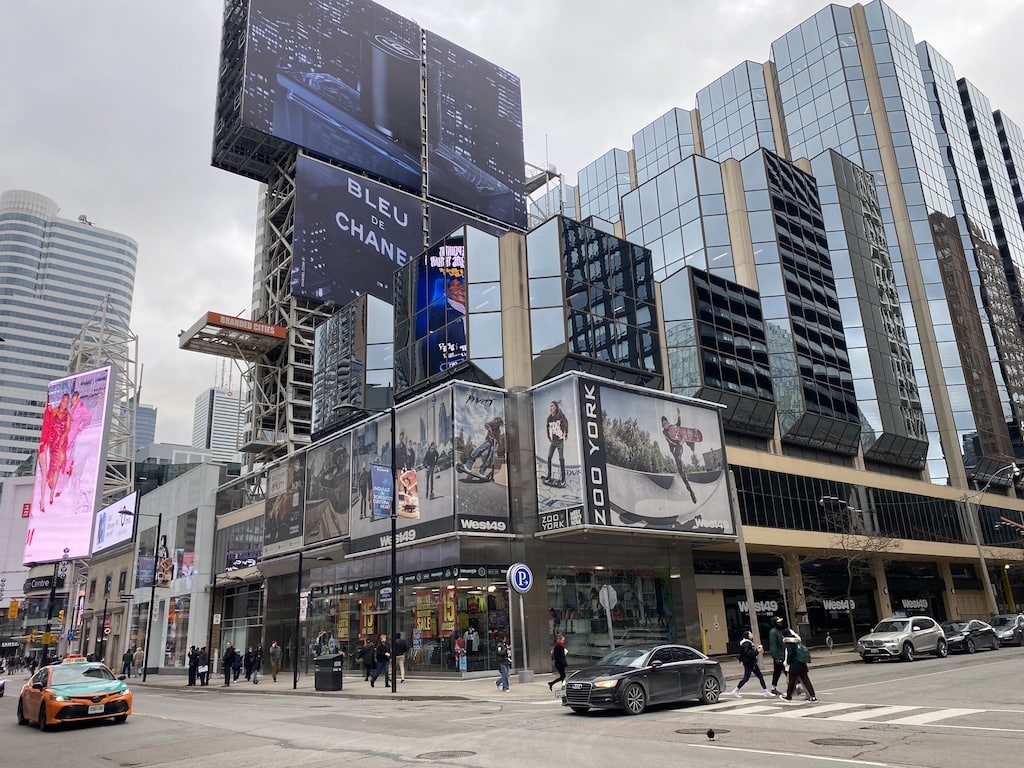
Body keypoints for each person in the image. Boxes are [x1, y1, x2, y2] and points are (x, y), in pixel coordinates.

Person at [660, 410, 698, 503]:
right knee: (681, 472)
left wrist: (679, 414)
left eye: (666, 422)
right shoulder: (664, 432)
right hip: (674, 449)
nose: (665, 424)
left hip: (680, 447)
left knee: (684, 436)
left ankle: (691, 443)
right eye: (663, 423)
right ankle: (691, 492)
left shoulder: (673, 427)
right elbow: (670, 441)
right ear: (663, 425)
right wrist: (678, 443)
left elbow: (679, 425)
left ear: (668, 422)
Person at [731, 631, 772, 697]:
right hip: (749, 663)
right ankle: (735, 690)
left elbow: (750, 652)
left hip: (752, 663)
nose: (752, 635)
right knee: (746, 678)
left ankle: (766, 691)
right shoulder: (746, 643)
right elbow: (749, 653)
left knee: (760, 676)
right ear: (747, 636)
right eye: (750, 634)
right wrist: (757, 651)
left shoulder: (747, 643)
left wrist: (756, 650)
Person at [782, 630, 817, 702]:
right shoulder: (798, 641)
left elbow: (790, 654)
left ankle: (788, 697)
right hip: (802, 664)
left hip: (794, 665)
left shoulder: (789, 643)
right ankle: (813, 697)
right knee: (806, 681)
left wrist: (787, 662)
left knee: (791, 682)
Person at [544, 401, 569, 485]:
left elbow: (566, 424)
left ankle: (563, 479)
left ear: (555, 407)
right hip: (553, 442)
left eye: (552, 406)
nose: (550, 408)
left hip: (560, 442)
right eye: (550, 406)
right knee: (549, 457)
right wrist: (549, 437)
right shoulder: (549, 418)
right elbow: (547, 428)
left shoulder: (561, 416)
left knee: (561, 458)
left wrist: (565, 434)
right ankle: (549, 475)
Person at [768, 616, 788, 696]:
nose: (780, 623)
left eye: (780, 622)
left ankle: (794, 686)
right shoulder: (773, 632)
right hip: (779, 656)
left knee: (785, 671)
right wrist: (775, 657)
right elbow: (773, 645)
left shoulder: (781, 631)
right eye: (778, 622)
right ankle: (773, 688)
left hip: (784, 655)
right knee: (779, 672)